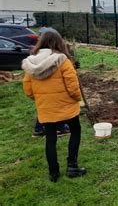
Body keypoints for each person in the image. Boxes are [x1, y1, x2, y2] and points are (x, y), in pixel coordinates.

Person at [22, 31, 86, 182]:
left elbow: (28, 89)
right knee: (75, 131)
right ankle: (72, 167)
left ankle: (54, 172)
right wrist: (77, 99)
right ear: (58, 43)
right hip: (67, 107)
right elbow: (73, 87)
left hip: (46, 109)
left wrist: (40, 100)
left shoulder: (31, 63)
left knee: (50, 138)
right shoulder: (63, 60)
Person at [32, 27, 70, 138]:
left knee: (44, 108)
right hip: (56, 92)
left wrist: (34, 95)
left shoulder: (33, 60)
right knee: (58, 108)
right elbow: (70, 80)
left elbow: (27, 83)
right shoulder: (61, 59)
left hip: (41, 93)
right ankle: (61, 128)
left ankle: (39, 130)